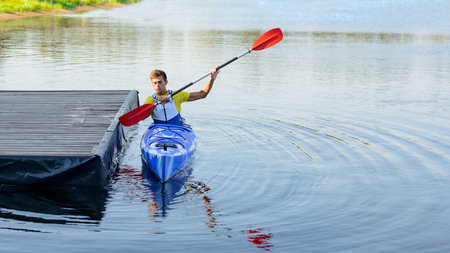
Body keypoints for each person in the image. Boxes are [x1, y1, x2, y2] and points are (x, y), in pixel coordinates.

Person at [144, 66, 220, 125]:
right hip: (158, 131)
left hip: (177, 130)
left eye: (160, 82)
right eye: (154, 83)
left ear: (166, 82)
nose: (157, 85)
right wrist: (156, 103)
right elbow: (143, 117)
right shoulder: (150, 100)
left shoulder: (177, 94)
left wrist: (212, 79)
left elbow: (202, 94)